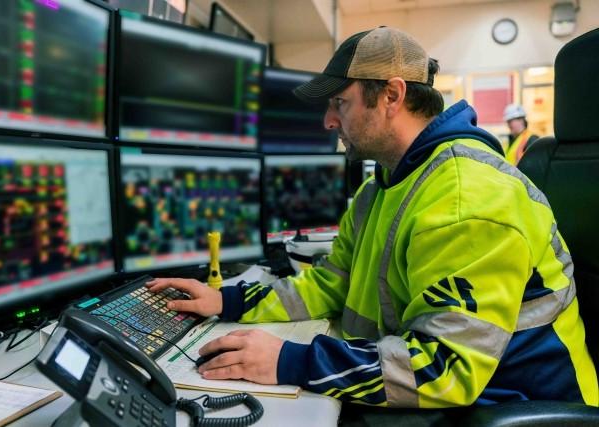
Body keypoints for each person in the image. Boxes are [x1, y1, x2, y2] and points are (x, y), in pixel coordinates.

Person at [146, 26, 597, 408]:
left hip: (511, 402)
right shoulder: (382, 187)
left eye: (338, 103)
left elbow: (443, 370)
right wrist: (225, 301)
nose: (327, 121)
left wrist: (290, 361)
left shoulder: (468, 199)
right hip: (447, 392)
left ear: (391, 95)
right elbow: (331, 283)